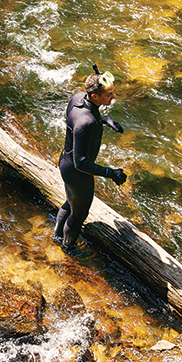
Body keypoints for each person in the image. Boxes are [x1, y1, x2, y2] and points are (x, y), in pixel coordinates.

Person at [53, 65, 127, 252]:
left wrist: (105, 120)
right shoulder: (86, 123)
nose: (113, 97)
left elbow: (84, 118)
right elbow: (82, 163)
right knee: (78, 214)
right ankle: (67, 249)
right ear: (95, 96)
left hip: (65, 162)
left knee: (70, 204)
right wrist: (111, 173)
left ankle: (56, 237)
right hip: (77, 173)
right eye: (109, 94)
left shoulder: (78, 99)